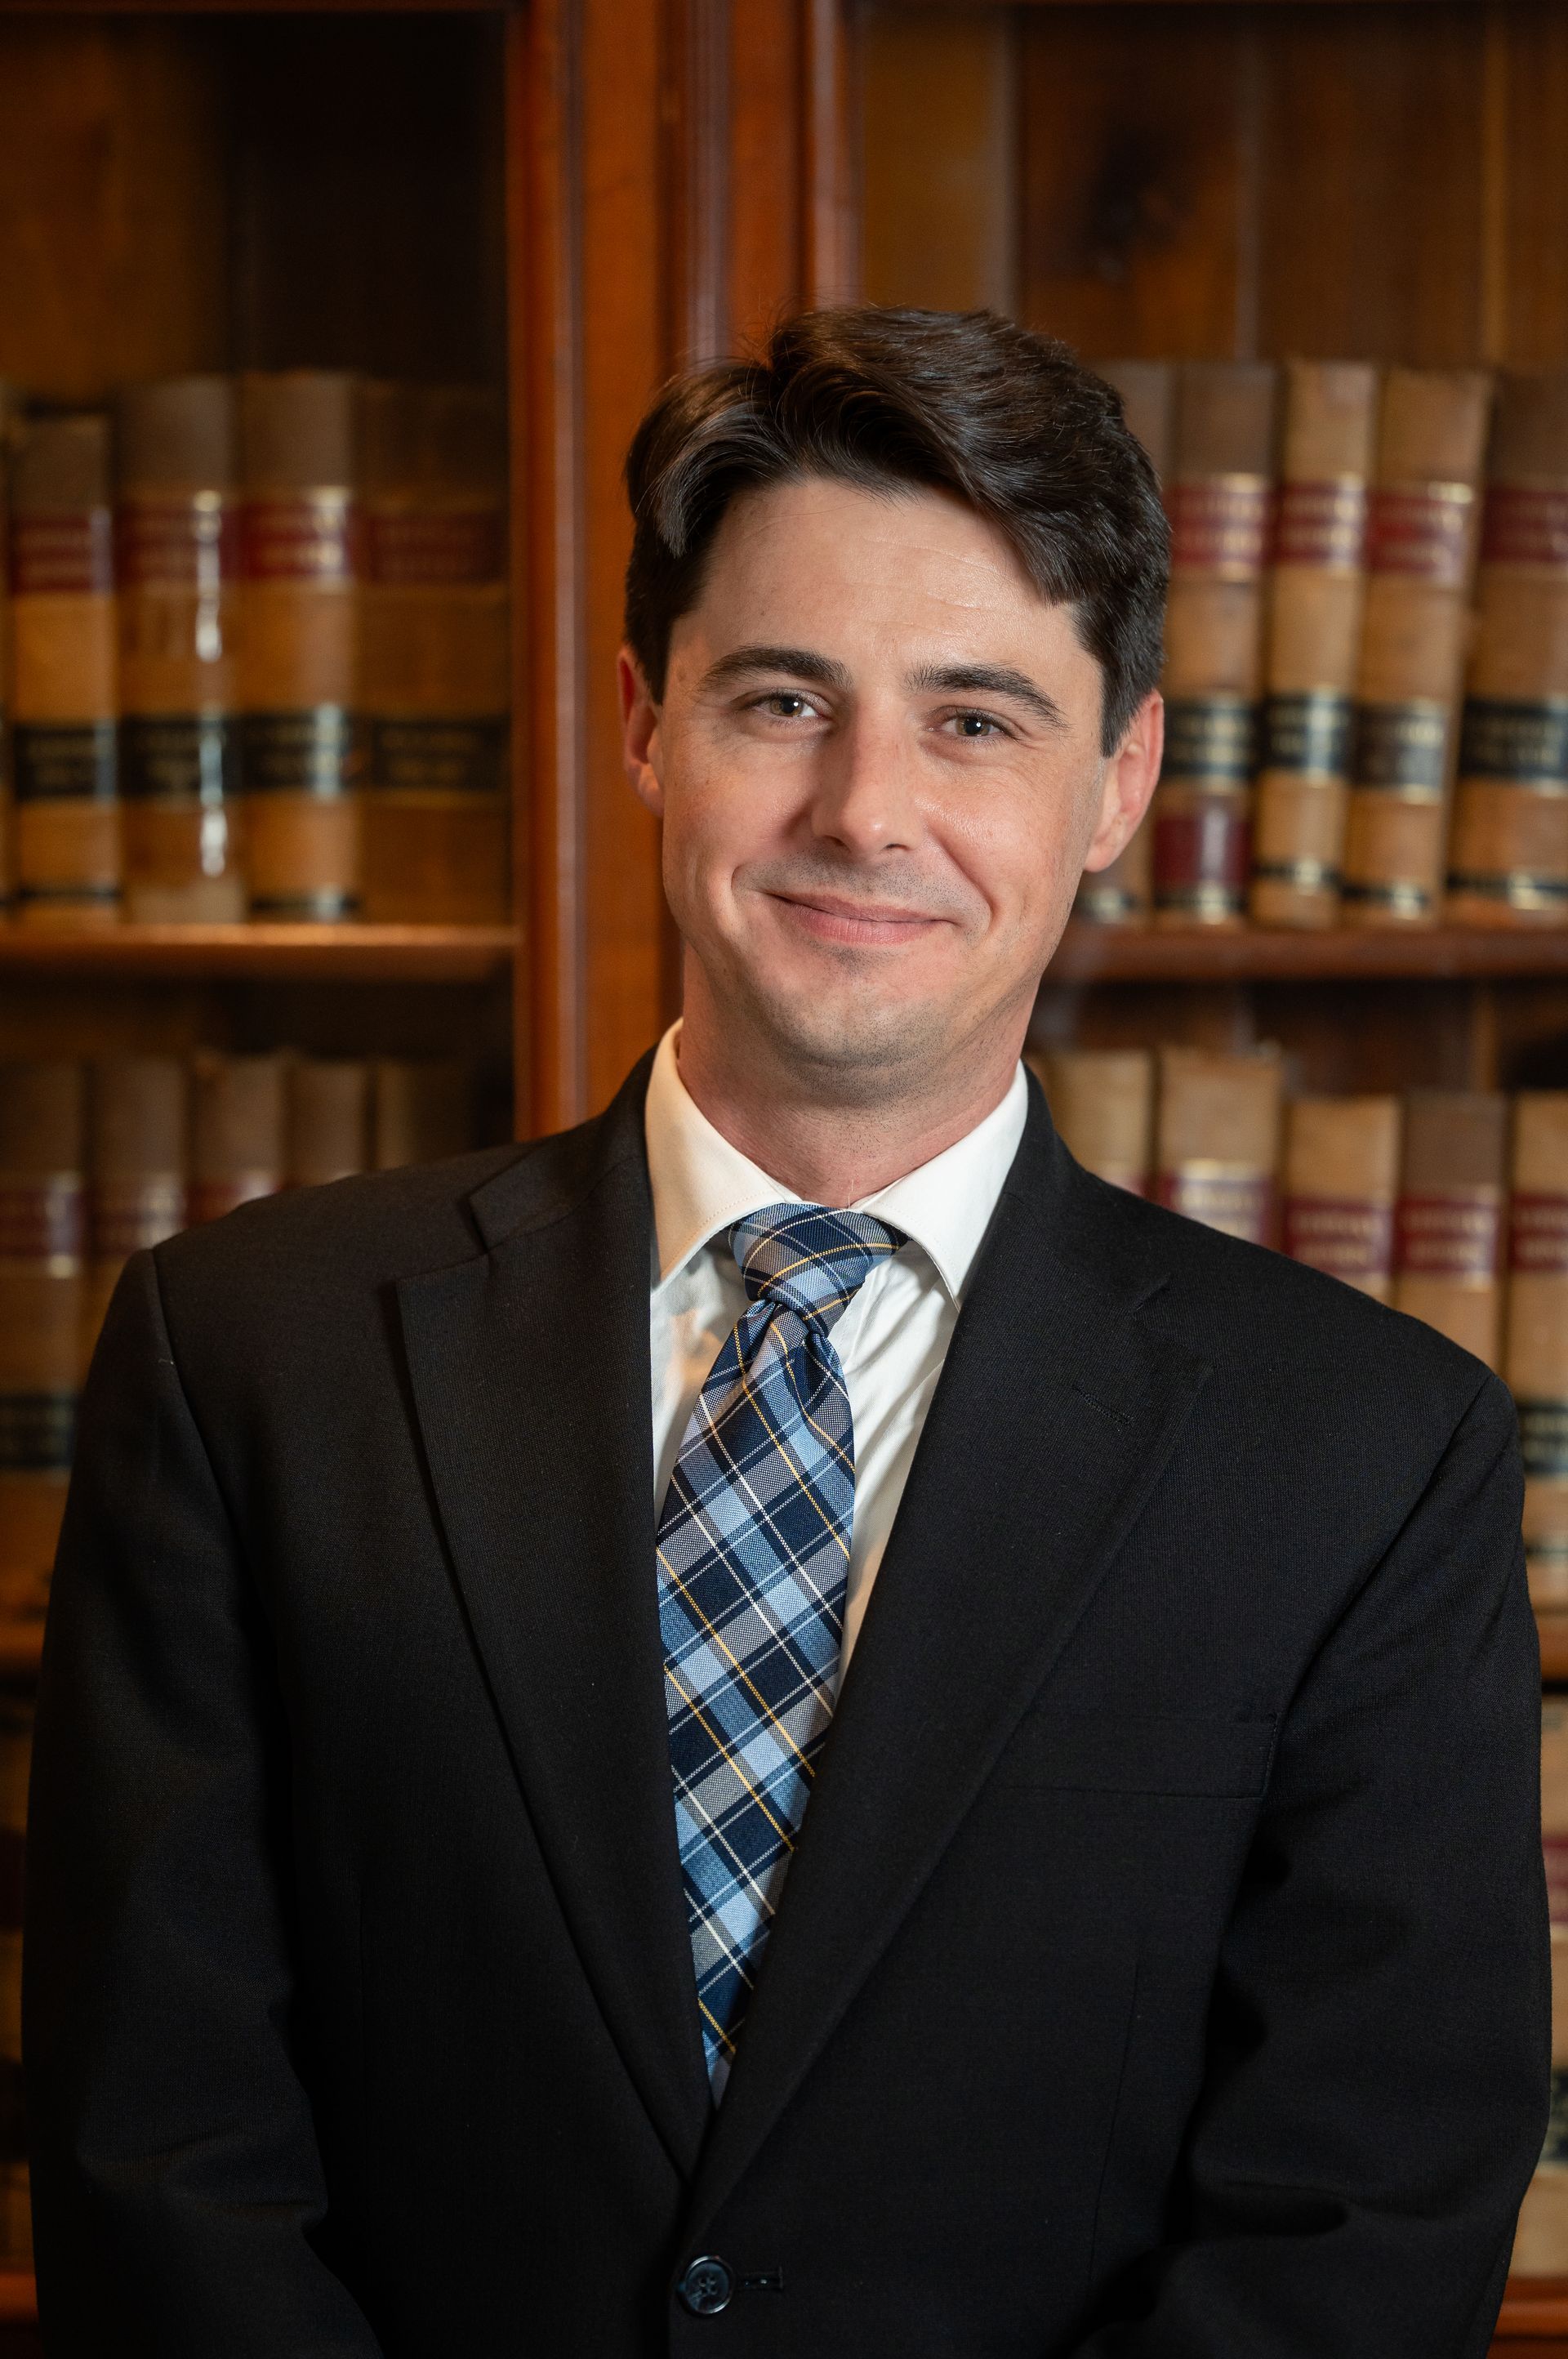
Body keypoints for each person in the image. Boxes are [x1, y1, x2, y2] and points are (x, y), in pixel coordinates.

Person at [25, 308, 1547, 2358]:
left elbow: (1355, 2226)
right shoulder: (249, 1362)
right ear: (648, 725)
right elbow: (159, 2152)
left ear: (1122, 780)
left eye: (978, 720)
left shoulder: (1371, 1457)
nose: (865, 808)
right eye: (783, 699)